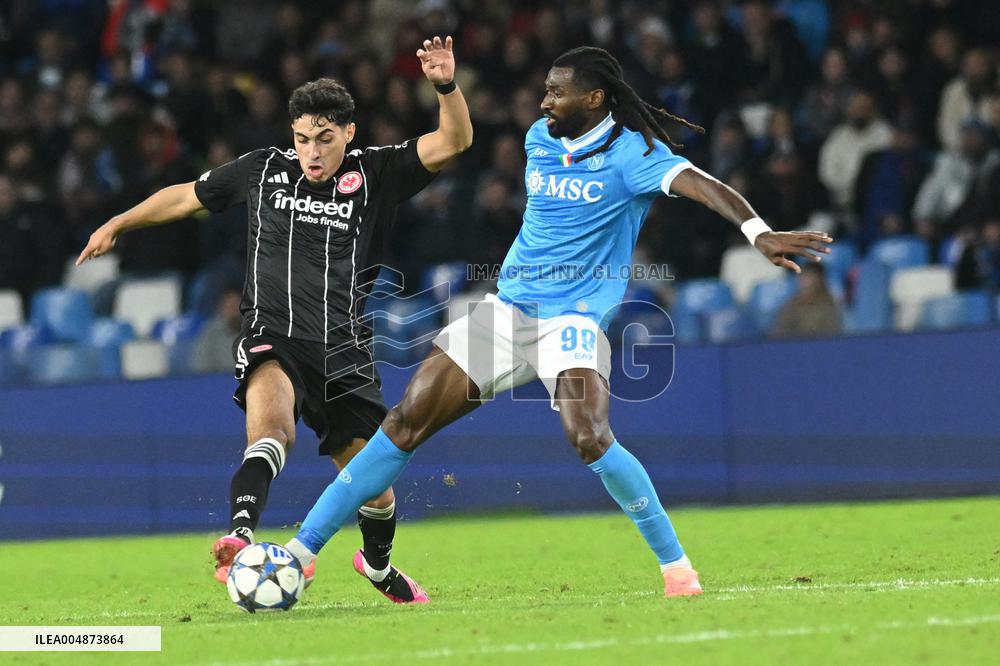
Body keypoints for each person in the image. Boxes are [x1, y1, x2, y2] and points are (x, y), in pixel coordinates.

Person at [284, 46, 831, 598]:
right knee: (404, 421)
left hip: (573, 319)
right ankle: (302, 553)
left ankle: (677, 569)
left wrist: (758, 232)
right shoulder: (539, 139)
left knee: (589, 436)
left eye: (556, 92)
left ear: (593, 98)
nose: (543, 101)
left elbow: (703, 184)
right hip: (507, 311)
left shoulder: (636, 154)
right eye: (545, 89)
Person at [76, 36, 473, 603]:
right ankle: (239, 538)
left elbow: (455, 140)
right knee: (271, 431)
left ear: (349, 133)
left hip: (342, 351)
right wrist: (119, 222)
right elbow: (185, 196)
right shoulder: (263, 170)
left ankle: (377, 565)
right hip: (273, 335)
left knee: (376, 491)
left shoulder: (377, 172)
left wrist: (445, 86)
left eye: (325, 139)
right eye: (303, 139)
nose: (312, 152)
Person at [771, 263, 842, 339]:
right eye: (803, 277)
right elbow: (779, 332)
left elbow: (832, 334)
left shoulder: (828, 305)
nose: (804, 282)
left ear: (819, 280)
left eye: (809, 277)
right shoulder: (791, 304)